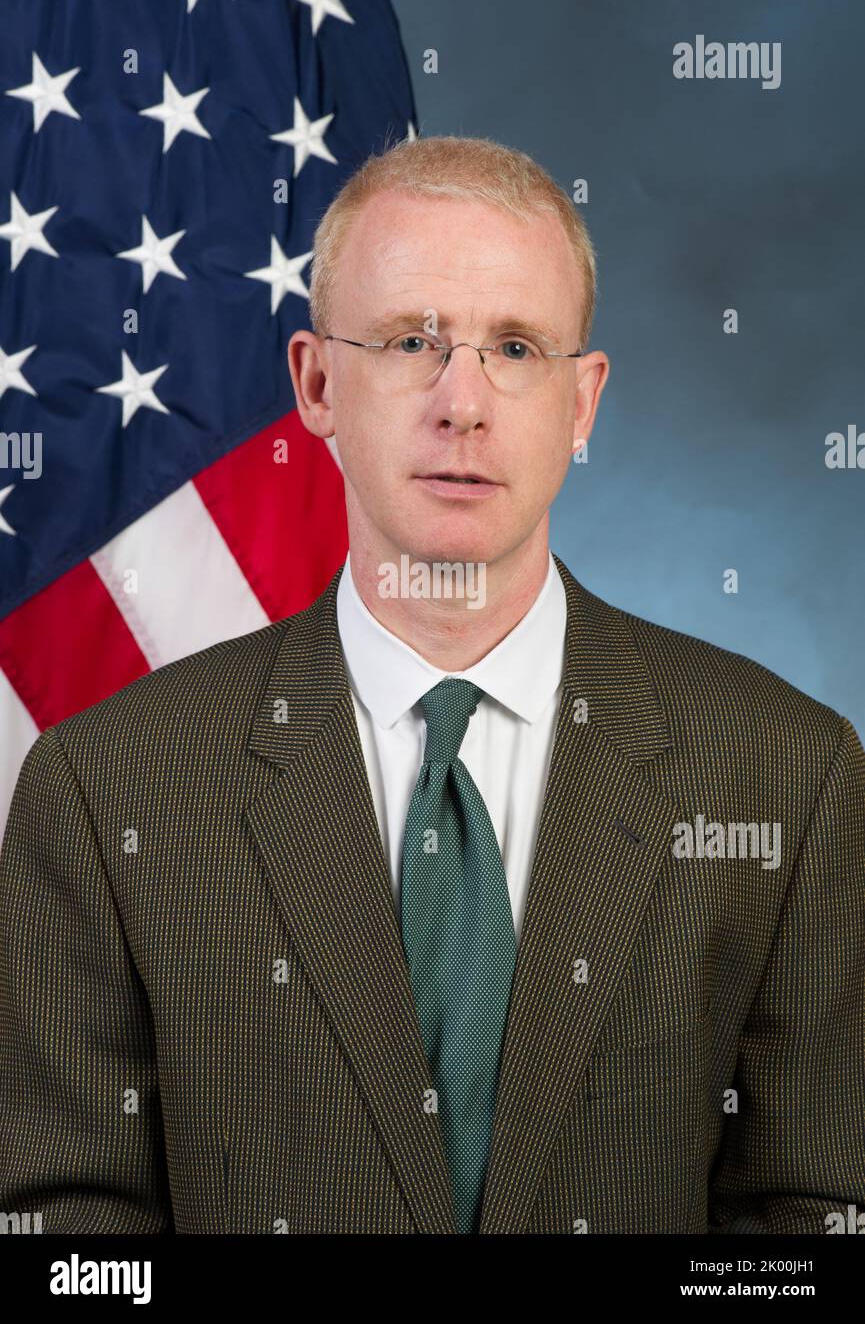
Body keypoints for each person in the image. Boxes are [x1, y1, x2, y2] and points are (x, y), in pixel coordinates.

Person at [1, 135, 863, 1235]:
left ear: (582, 400)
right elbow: (63, 1235)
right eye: (413, 339)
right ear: (315, 383)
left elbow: (817, 1218)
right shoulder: (105, 789)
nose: (463, 401)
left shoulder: (787, 776)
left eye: (514, 345)